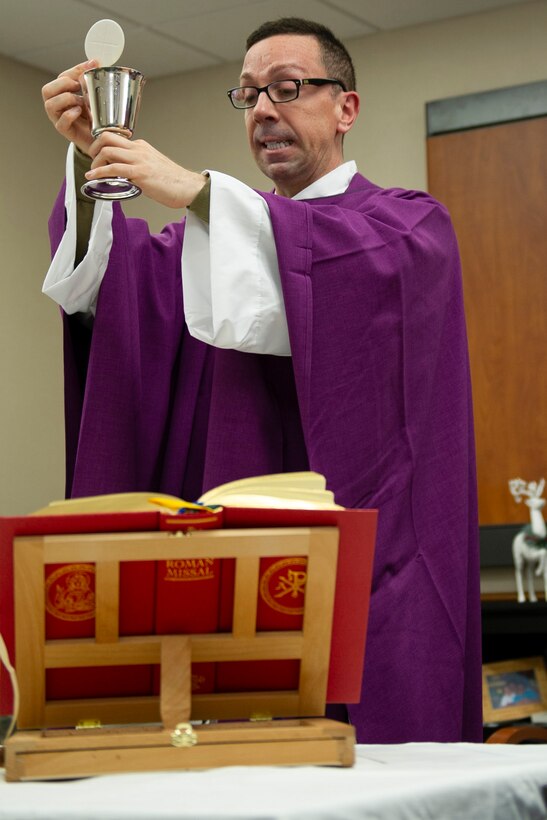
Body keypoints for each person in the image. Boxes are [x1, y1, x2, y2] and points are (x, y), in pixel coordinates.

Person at [41, 17, 482, 744]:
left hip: (368, 581)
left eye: (286, 88)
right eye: (248, 96)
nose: (264, 111)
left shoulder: (408, 227)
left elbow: (356, 271)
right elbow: (119, 302)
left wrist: (196, 191)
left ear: (346, 108)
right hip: (227, 590)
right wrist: (96, 171)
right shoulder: (206, 247)